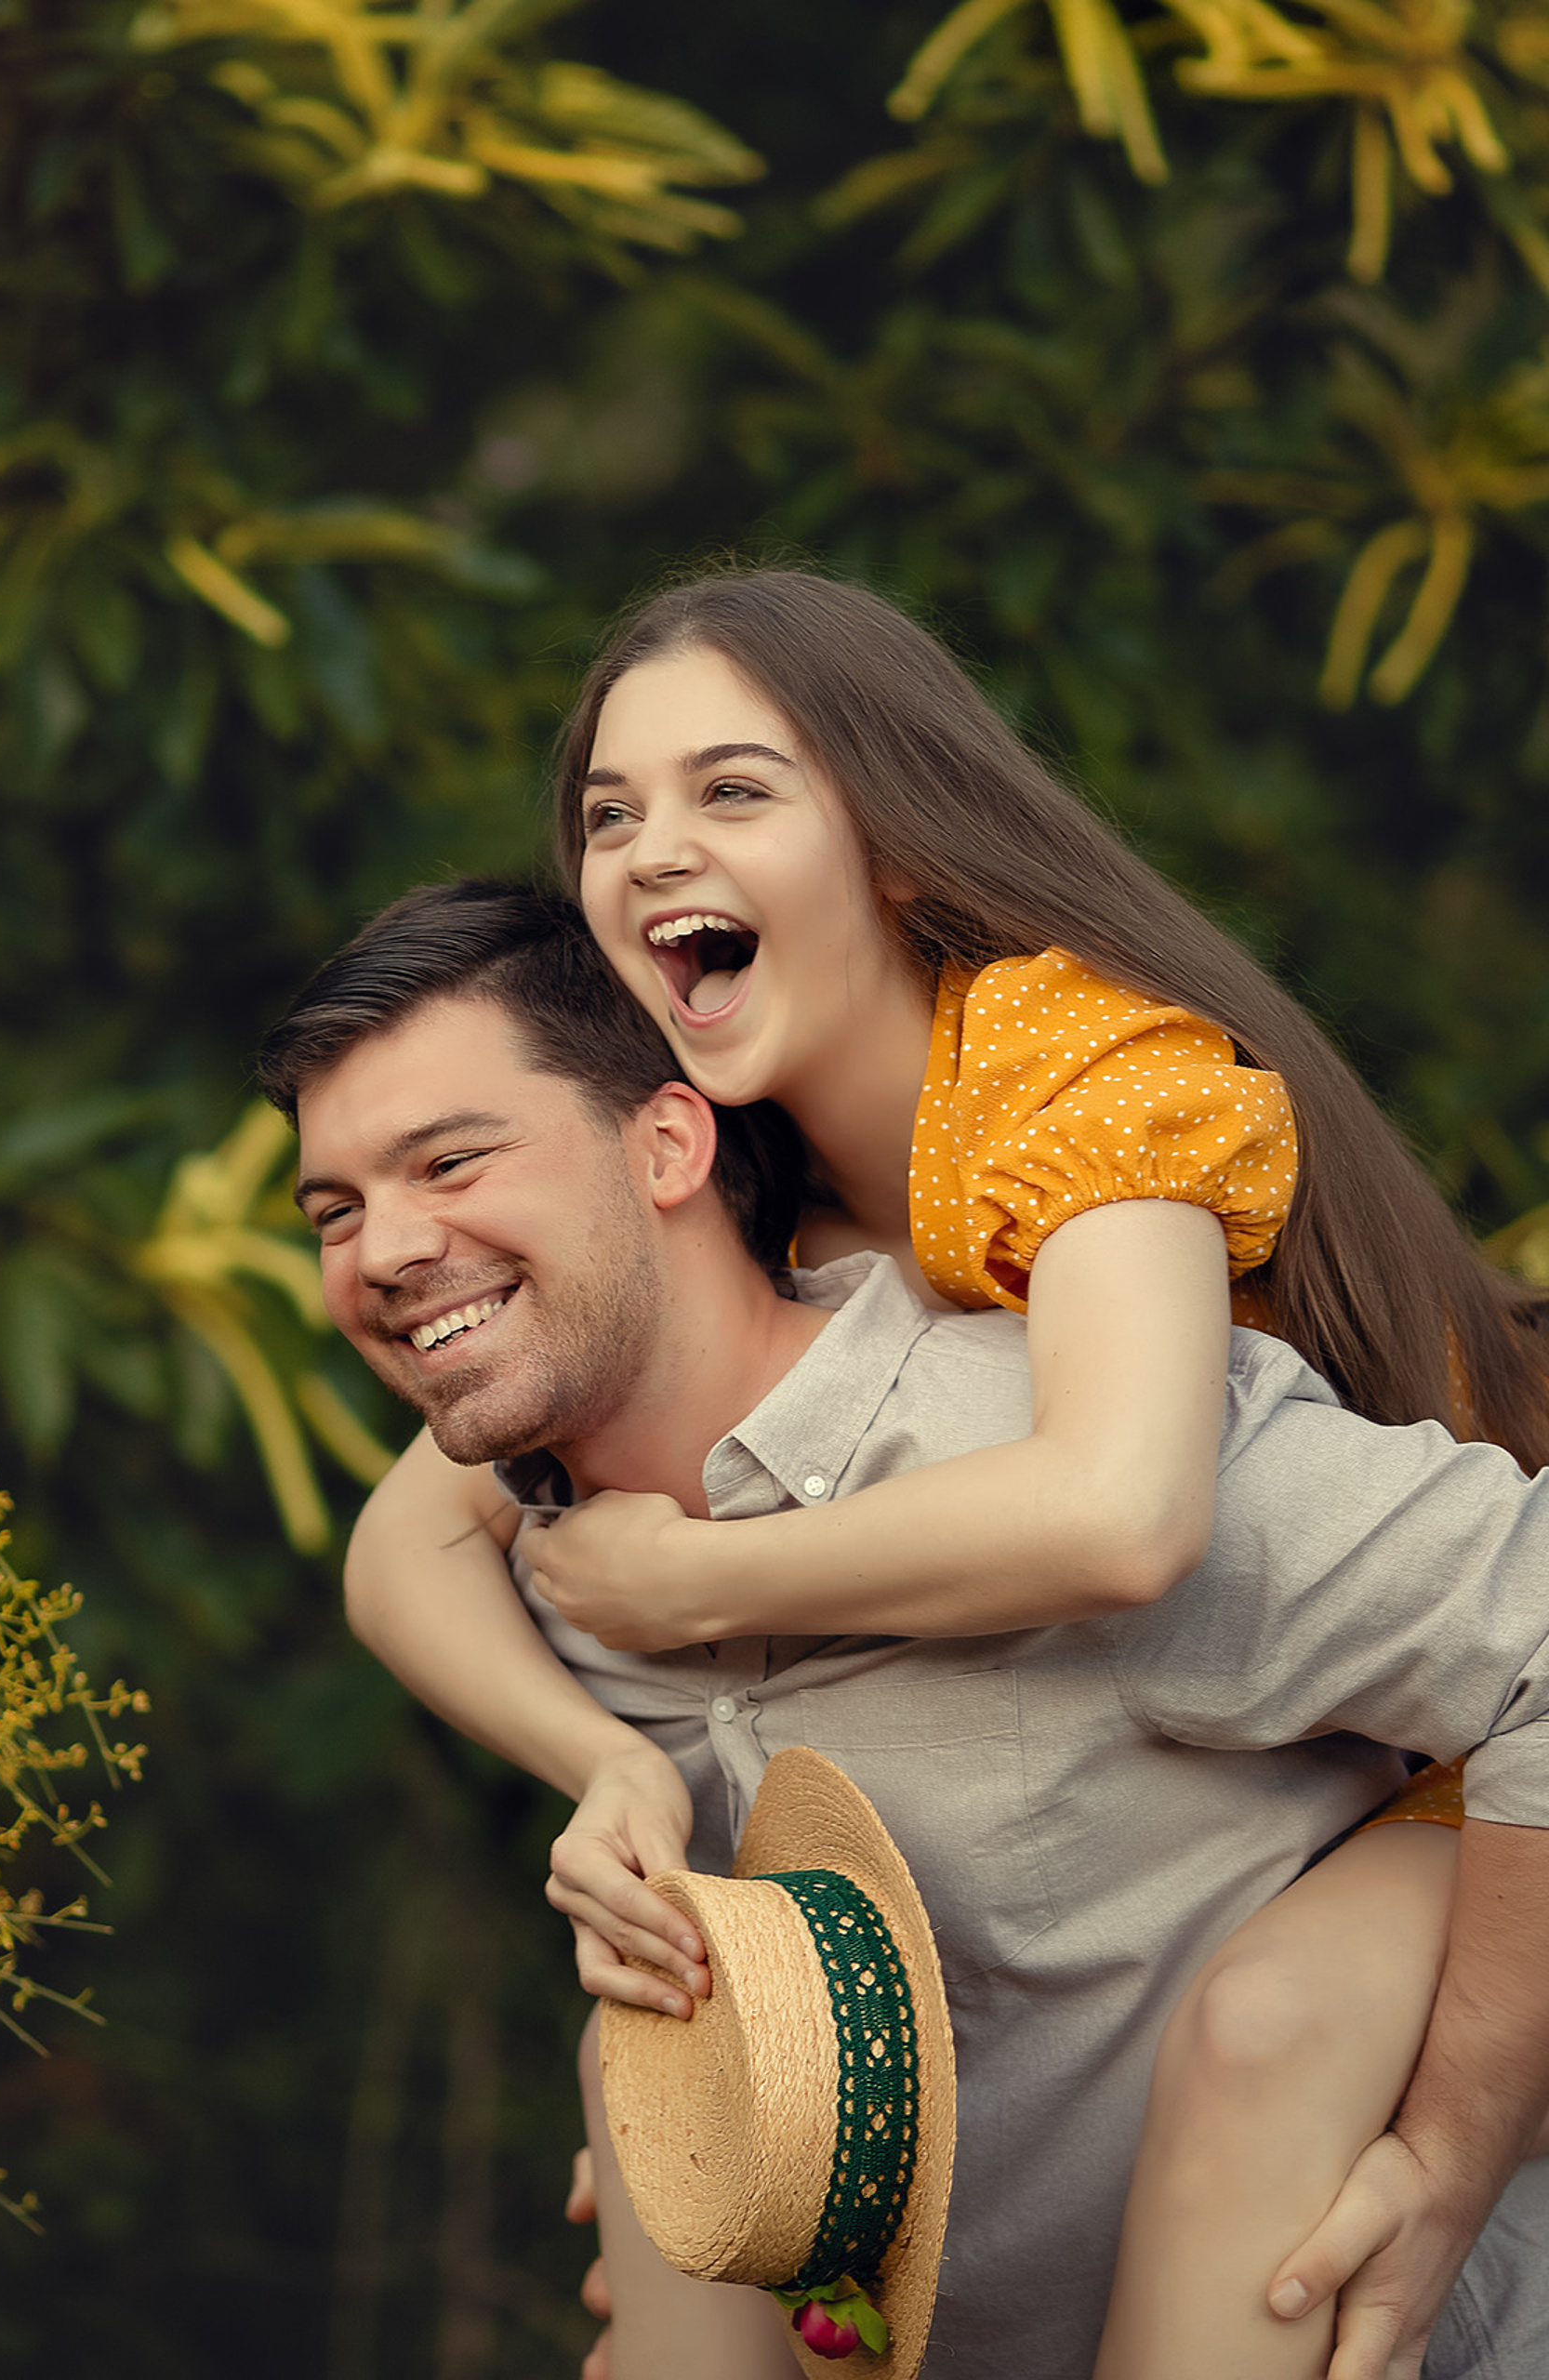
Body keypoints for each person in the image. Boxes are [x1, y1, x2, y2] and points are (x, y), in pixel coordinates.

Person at [326, 572, 1549, 2377]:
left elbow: (1121, 1512)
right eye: (608, 812)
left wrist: (707, 1583)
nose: (652, 845)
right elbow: (401, 1541)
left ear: (893, 845)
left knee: (1273, 2023)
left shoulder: (1060, 1067)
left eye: (731, 790)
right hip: (1314, 1727)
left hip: (1452, 1755)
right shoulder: (742, 1168)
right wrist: (601, 1769)